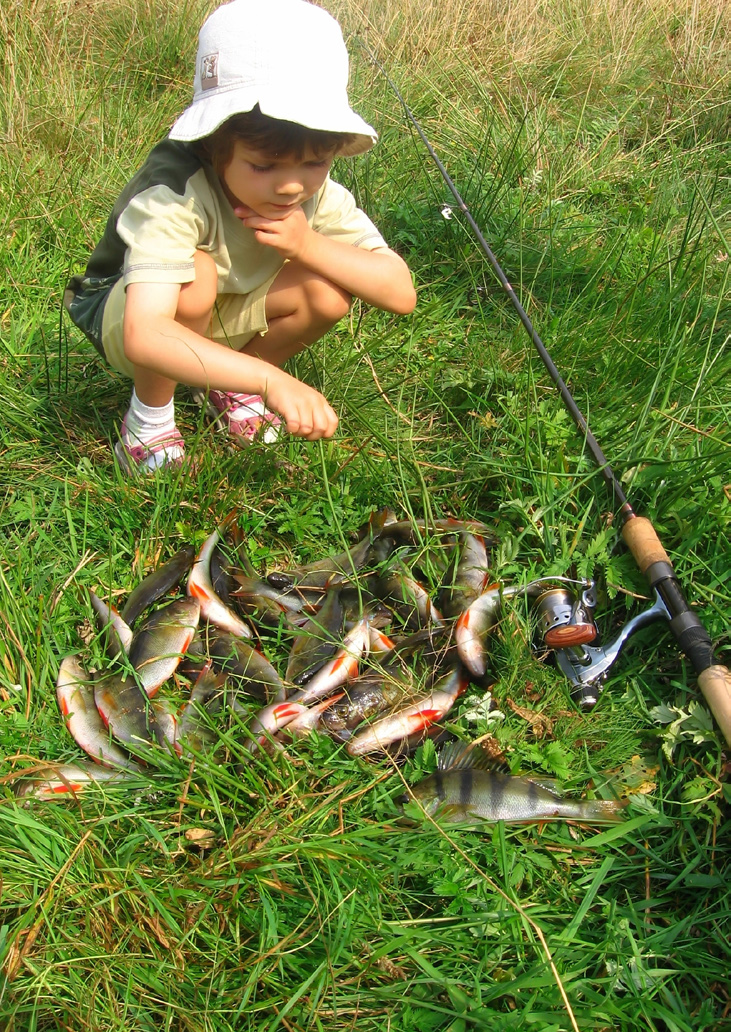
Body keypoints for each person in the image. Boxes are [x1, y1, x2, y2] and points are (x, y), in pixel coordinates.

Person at [64, 0, 416, 472]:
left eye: (315, 162)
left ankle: (225, 385)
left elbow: (400, 292)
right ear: (215, 139)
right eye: (264, 166)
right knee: (197, 277)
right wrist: (271, 381)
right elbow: (145, 333)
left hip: (219, 308)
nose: (291, 185)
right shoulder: (175, 192)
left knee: (327, 290)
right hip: (128, 311)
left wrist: (307, 244)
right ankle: (148, 420)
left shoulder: (315, 195)